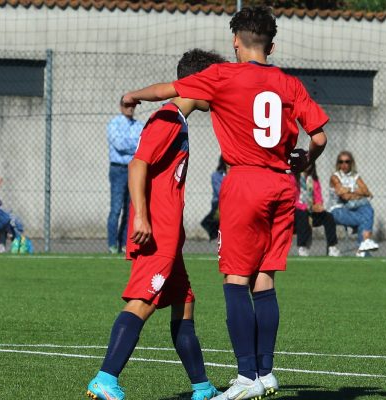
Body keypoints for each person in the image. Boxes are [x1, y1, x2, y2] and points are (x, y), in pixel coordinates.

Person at [121, 7, 329, 399]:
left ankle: (247, 378)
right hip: (282, 185)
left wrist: (133, 95)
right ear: (272, 44)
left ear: (236, 41)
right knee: (265, 278)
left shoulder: (223, 75)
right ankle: (266, 373)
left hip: (245, 181)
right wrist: (306, 160)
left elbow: (170, 90)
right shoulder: (289, 84)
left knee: (235, 278)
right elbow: (318, 137)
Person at [86, 49, 225, 400]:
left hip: (169, 234)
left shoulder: (178, 119)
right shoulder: (166, 118)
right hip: (158, 230)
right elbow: (137, 164)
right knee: (142, 301)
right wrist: (143, 217)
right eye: (217, 82)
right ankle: (104, 378)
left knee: (184, 301)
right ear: (200, 83)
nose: (221, 90)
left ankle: (202, 387)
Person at [106, 96, 144, 254]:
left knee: (131, 209)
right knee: (116, 208)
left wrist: (132, 144)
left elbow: (143, 145)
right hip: (118, 169)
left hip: (134, 169)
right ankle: (112, 244)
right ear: (121, 106)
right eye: (127, 105)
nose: (130, 108)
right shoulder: (114, 124)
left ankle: (125, 243)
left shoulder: (139, 125)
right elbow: (119, 144)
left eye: (133, 105)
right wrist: (134, 144)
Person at [327, 151, 379, 257]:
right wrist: (357, 191)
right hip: (336, 210)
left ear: (351, 163)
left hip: (352, 208)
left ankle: (363, 247)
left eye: (347, 162)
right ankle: (363, 247)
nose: (344, 165)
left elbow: (367, 192)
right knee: (365, 218)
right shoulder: (335, 177)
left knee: (368, 208)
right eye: (341, 162)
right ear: (338, 163)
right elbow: (345, 196)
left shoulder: (355, 176)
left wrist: (349, 190)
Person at [291, 161, 339, 257]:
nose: (307, 165)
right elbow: (291, 201)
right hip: (296, 213)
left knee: (328, 217)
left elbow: (318, 198)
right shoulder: (292, 178)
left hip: (311, 211)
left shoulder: (314, 180)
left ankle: (332, 247)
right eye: (305, 162)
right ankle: (302, 246)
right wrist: (308, 207)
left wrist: (319, 205)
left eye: (310, 163)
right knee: (302, 213)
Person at [200, 156, 227, 241]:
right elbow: (219, 191)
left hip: (231, 202)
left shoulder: (236, 174)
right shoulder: (216, 175)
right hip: (219, 202)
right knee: (207, 222)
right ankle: (215, 234)